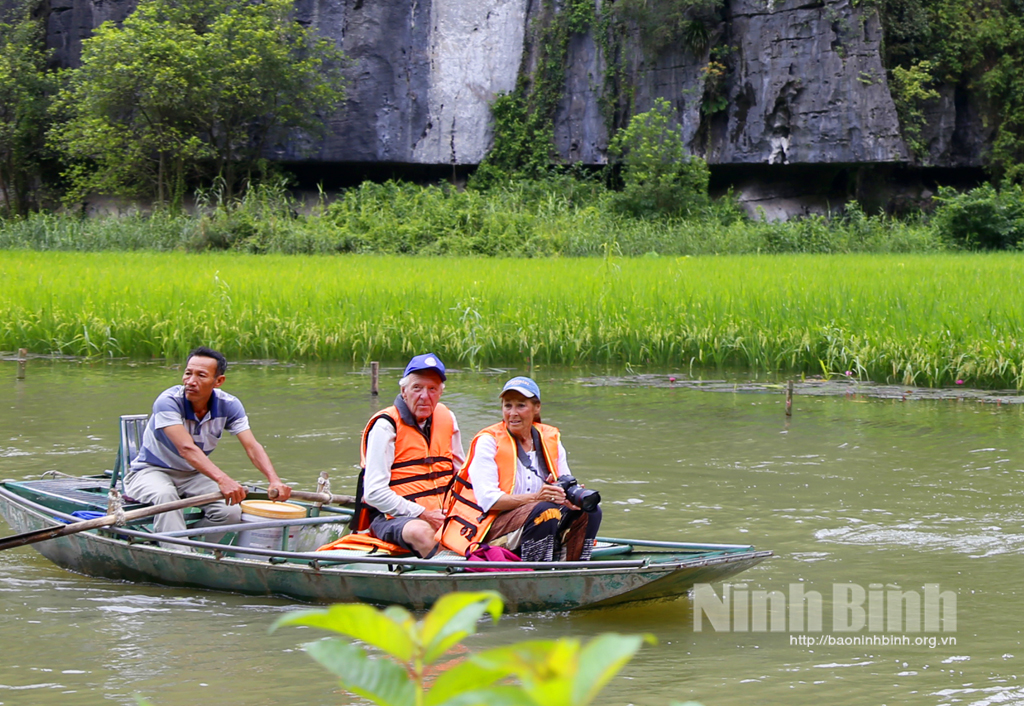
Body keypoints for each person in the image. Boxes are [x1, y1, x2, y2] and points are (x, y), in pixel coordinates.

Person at [124, 346, 291, 547]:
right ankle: (179, 553)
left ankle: (193, 548)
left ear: (218, 381)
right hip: (151, 471)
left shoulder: (229, 405)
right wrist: (223, 479)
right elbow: (187, 449)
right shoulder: (168, 401)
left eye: (201, 375)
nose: (191, 381)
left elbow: (252, 446)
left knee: (230, 511)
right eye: (188, 373)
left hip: (192, 474)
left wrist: (274, 480)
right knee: (166, 497)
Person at [438, 376, 601, 562]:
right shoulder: (488, 441)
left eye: (521, 405)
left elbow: (564, 480)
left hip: (534, 519)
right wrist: (536, 498)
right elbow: (488, 501)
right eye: (508, 406)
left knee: (591, 509)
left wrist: (569, 498)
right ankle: (535, 572)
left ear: (536, 408)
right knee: (546, 510)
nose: (513, 413)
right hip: (489, 526)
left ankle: (575, 568)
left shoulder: (550, 439)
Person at [349, 353, 465, 558]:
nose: (424, 396)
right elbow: (374, 493)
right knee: (420, 531)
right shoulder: (386, 426)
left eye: (432, 389)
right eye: (417, 388)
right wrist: (424, 514)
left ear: (440, 393)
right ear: (404, 391)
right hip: (393, 518)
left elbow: (462, 474)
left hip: (443, 512)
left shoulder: (447, 418)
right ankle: (458, 573)